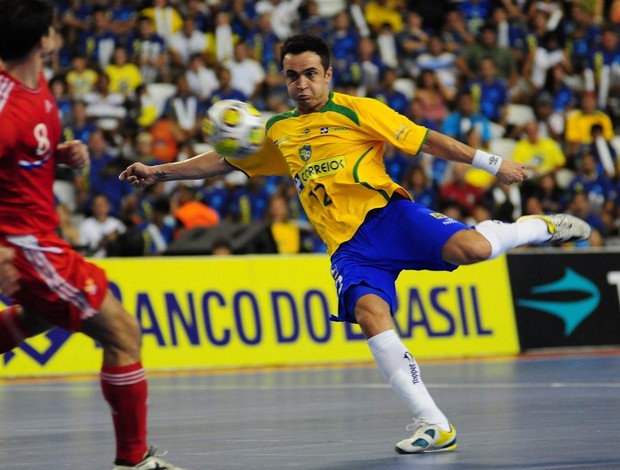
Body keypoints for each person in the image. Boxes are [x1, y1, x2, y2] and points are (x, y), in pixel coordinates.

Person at [120, 34, 591, 455]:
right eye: (291, 76)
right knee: (371, 317)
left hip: (390, 217)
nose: (301, 85)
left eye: (309, 74)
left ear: (327, 74)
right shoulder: (279, 131)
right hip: (349, 249)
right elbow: (224, 161)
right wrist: (158, 171)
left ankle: (538, 227)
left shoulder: (357, 110)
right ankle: (434, 423)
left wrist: (493, 163)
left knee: (475, 250)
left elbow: (427, 141)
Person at [0, 1, 183, 469]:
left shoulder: (36, 81)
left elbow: (23, 152)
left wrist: (57, 155)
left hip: (43, 238)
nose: (59, 35)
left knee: (44, 317)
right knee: (122, 331)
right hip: (25, 245)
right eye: (54, 30)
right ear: (43, 39)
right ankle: (134, 459)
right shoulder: (7, 108)